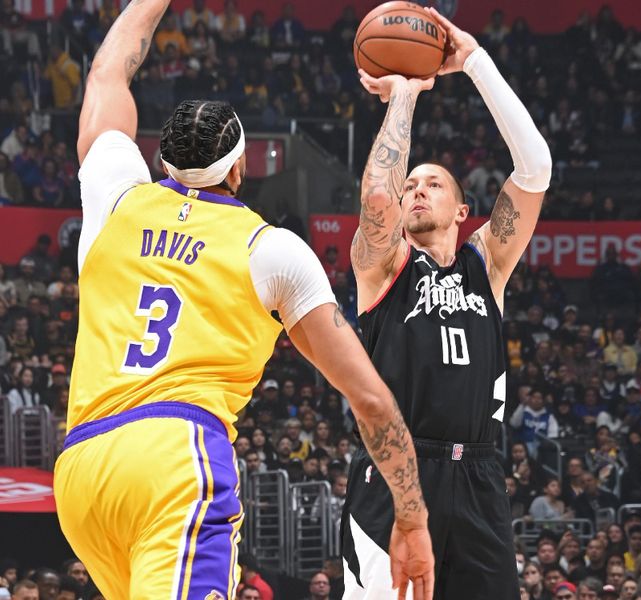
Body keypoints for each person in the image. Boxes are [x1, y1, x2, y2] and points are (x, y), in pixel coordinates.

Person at [51, 2, 434, 599]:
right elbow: (370, 398)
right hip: (174, 459)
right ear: (240, 169)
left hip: (80, 469)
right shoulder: (270, 249)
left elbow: (107, 74)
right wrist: (411, 517)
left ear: (163, 160)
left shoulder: (115, 194)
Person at [343, 7, 552, 599]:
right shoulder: (383, 264)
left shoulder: (485, 263)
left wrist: (476, 64)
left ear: (464, 213)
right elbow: (379, 193)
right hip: (396, 476)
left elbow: (535, 166)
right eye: (413, 183)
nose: (415, 189)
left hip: (480, 476)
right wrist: (403, 94)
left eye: (432, 183)